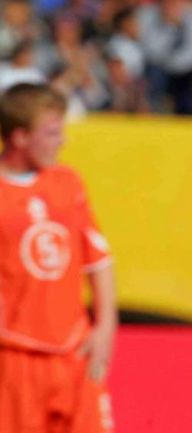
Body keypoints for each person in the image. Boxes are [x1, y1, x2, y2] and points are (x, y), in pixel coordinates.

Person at [0, 83, 116, 433]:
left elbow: (98, 259)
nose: (62, 141)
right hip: (14, 355)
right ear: (19, 137)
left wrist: (105, 327)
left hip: (74, 351)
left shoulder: (67, 182)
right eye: (51, 133)